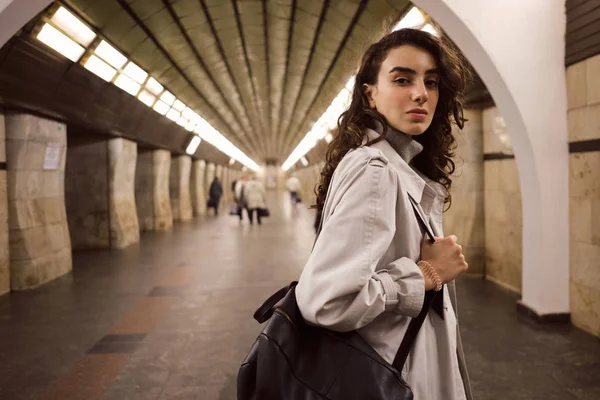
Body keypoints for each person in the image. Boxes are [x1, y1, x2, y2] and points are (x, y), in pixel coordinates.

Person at [295, 28, 473, 400]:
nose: (421, 93)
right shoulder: (376, 169)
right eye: (402, 79)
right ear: (369, 94)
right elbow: (328, 301)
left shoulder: (385, 163)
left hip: (398, 362)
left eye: (432, 82)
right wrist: (427, 274)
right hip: (394, 372)